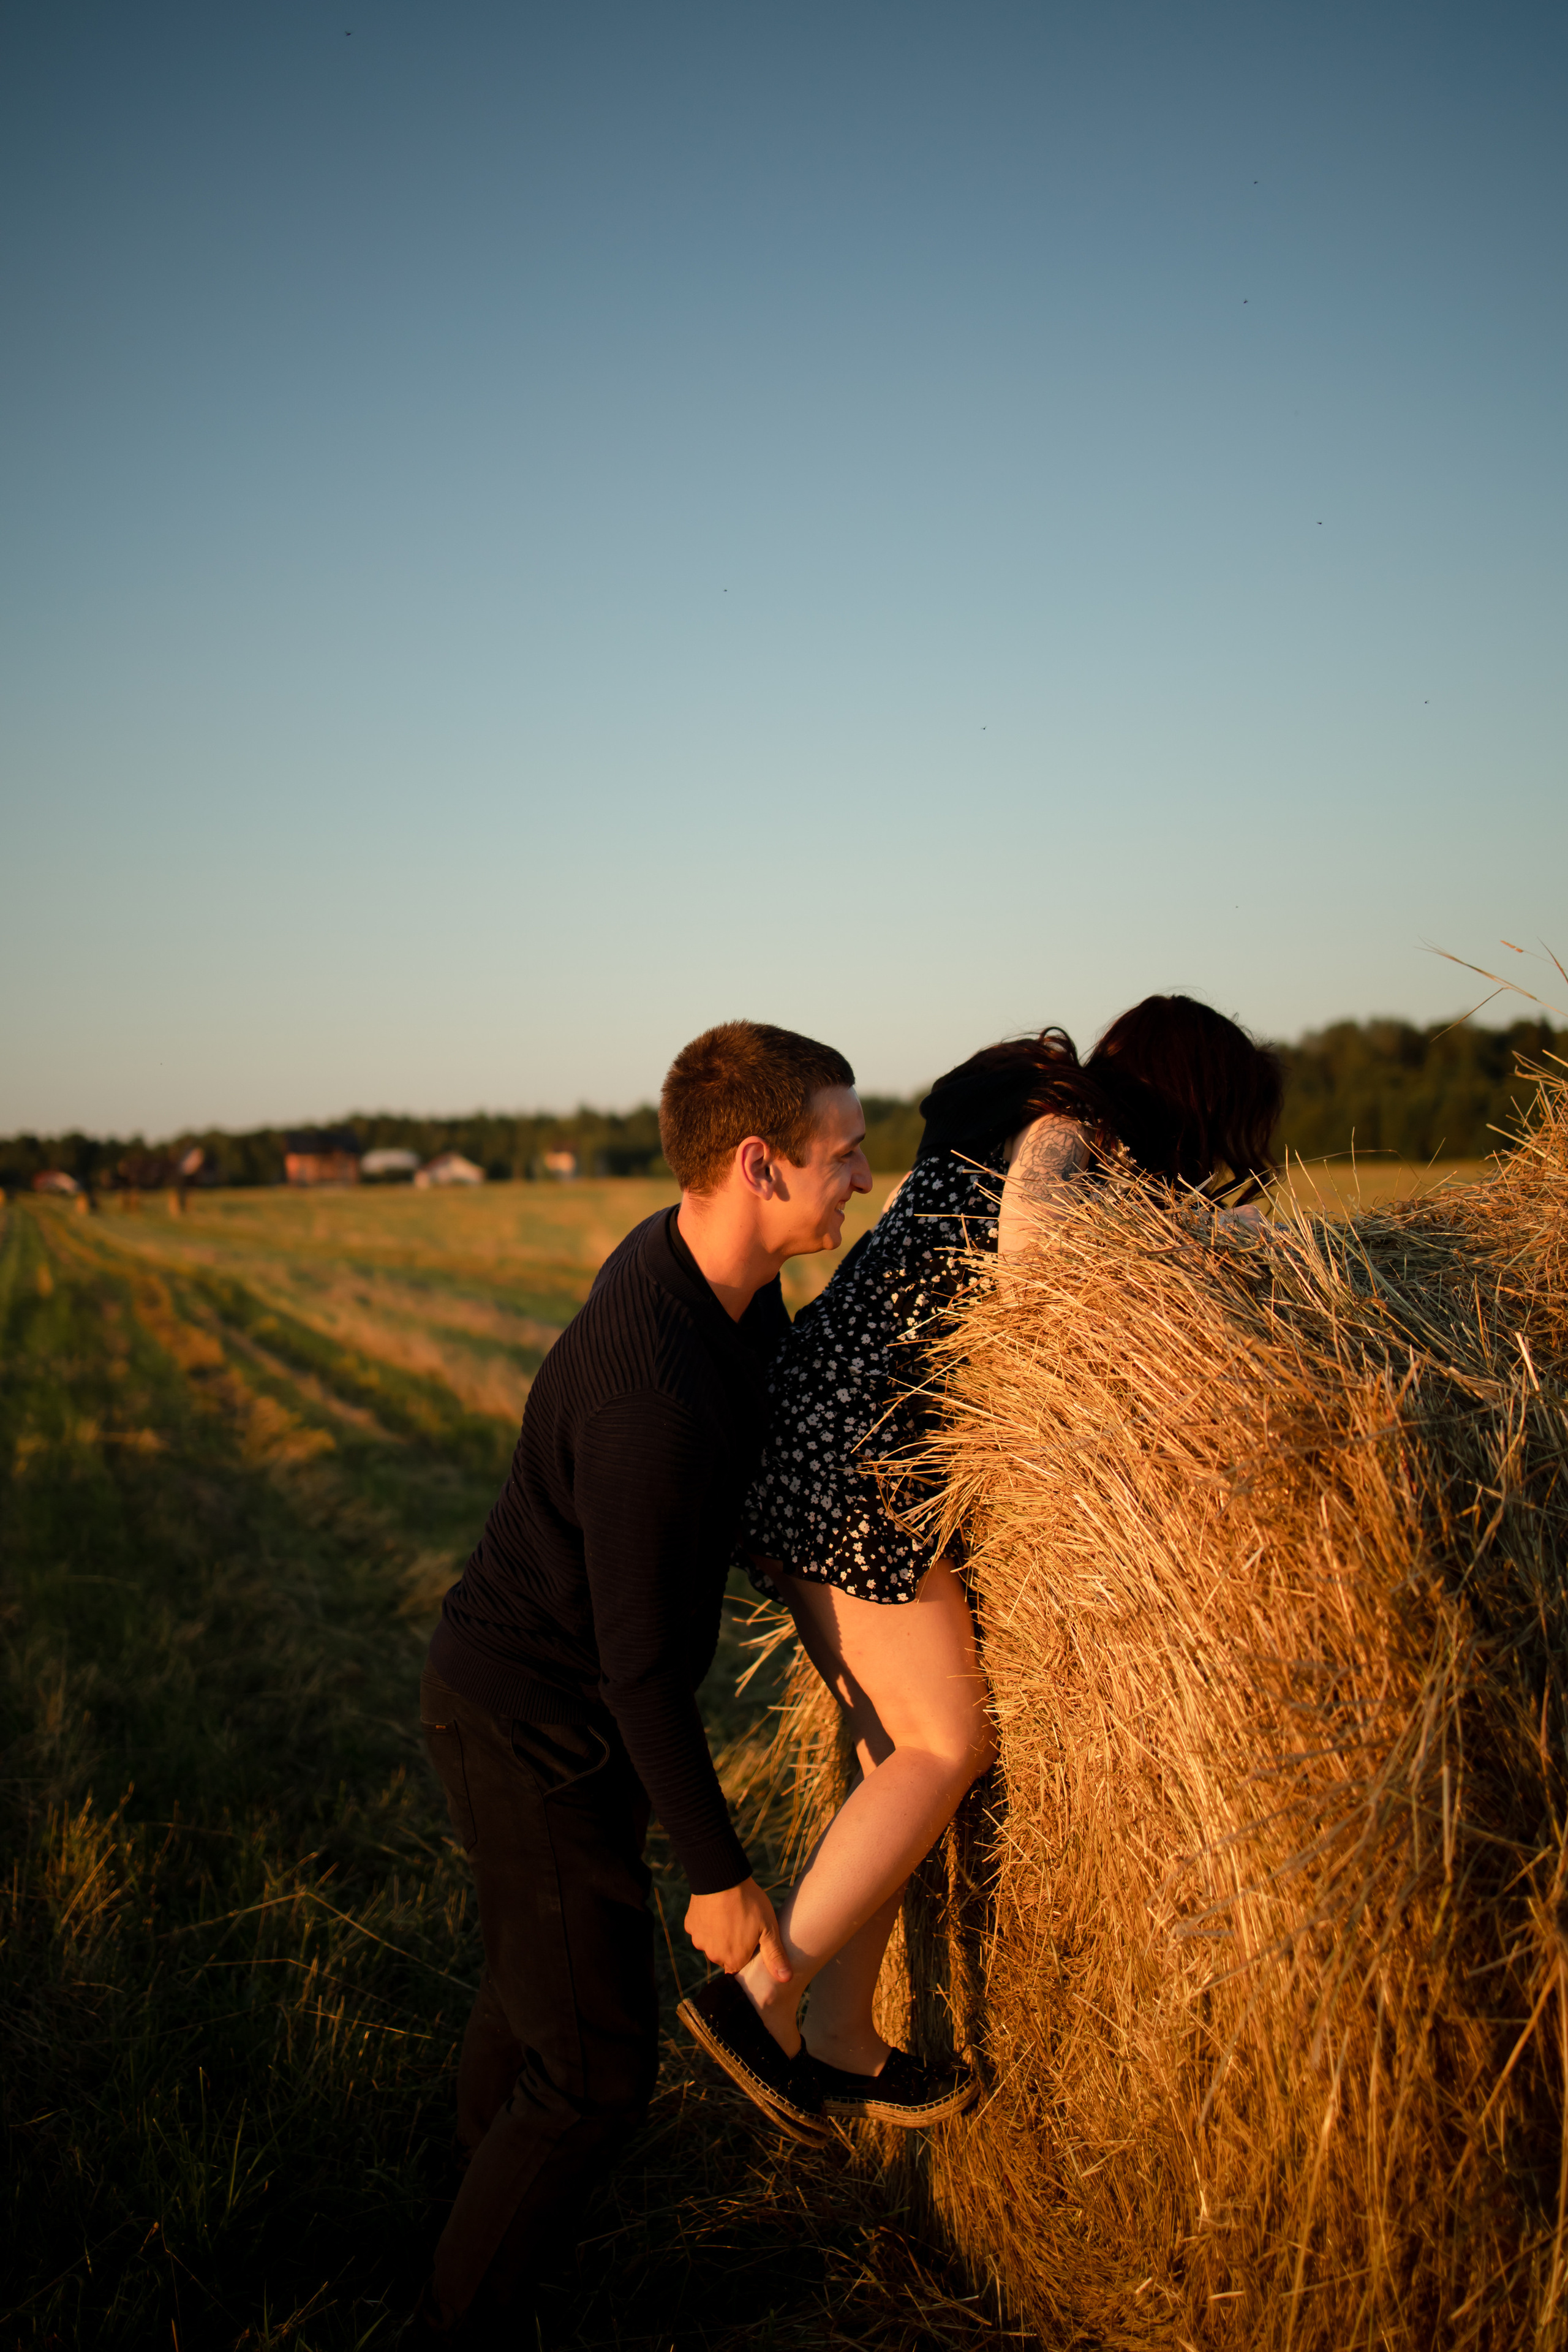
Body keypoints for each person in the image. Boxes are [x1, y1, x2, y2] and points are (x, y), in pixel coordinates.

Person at [680, 996, 1282, 2130]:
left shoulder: (1034, 1132)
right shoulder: (1066, 1135)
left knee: (891, 1759)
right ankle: (759, 1995)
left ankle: (843, 2037)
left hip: (826, 1438)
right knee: (950, 1741)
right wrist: (1216, 1253)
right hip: (848, 1456)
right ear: (1193, 1096)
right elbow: (1047, 1254)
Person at [407, 1021, 873, 2339]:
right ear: (757, 1166)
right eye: (840, 1156)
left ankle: (469, 2207)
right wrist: (721, 1880)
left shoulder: (717, 1285)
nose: (857, 1178)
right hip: (529, 1715)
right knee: (600, 2071)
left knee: (536, 1979)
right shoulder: (648, 1392)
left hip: (563, 1701)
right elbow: (638, 1673)